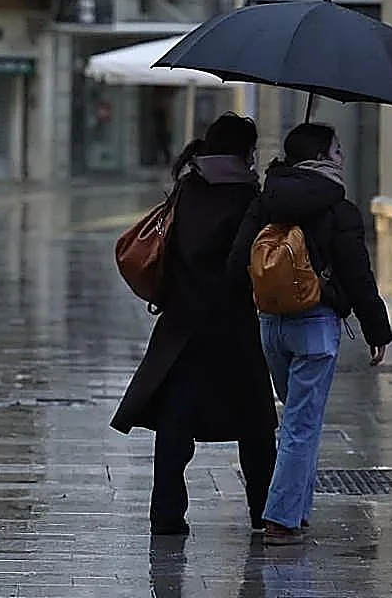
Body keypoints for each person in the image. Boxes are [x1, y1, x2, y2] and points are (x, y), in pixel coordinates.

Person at [111, 113, 277, 536]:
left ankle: (166, 516)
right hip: (233, 328)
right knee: (255, 426)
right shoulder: (248, 198)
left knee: (175, 426)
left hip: (182, 325)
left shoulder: (187, 189)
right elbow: (246, 263)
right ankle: (264, 511)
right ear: (246, 152)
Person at [227, 122, 392, 545]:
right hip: (316, 327)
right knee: (302, 423)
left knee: (301, 419)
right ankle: (281, 519)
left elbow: (236, 264)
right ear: (321, 157)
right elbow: (358, 275)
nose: (342, 156)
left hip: (271, 327)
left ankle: (296, 511)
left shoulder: (266, 201)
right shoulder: (339, 209)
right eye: (337, 150)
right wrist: (376, 328)